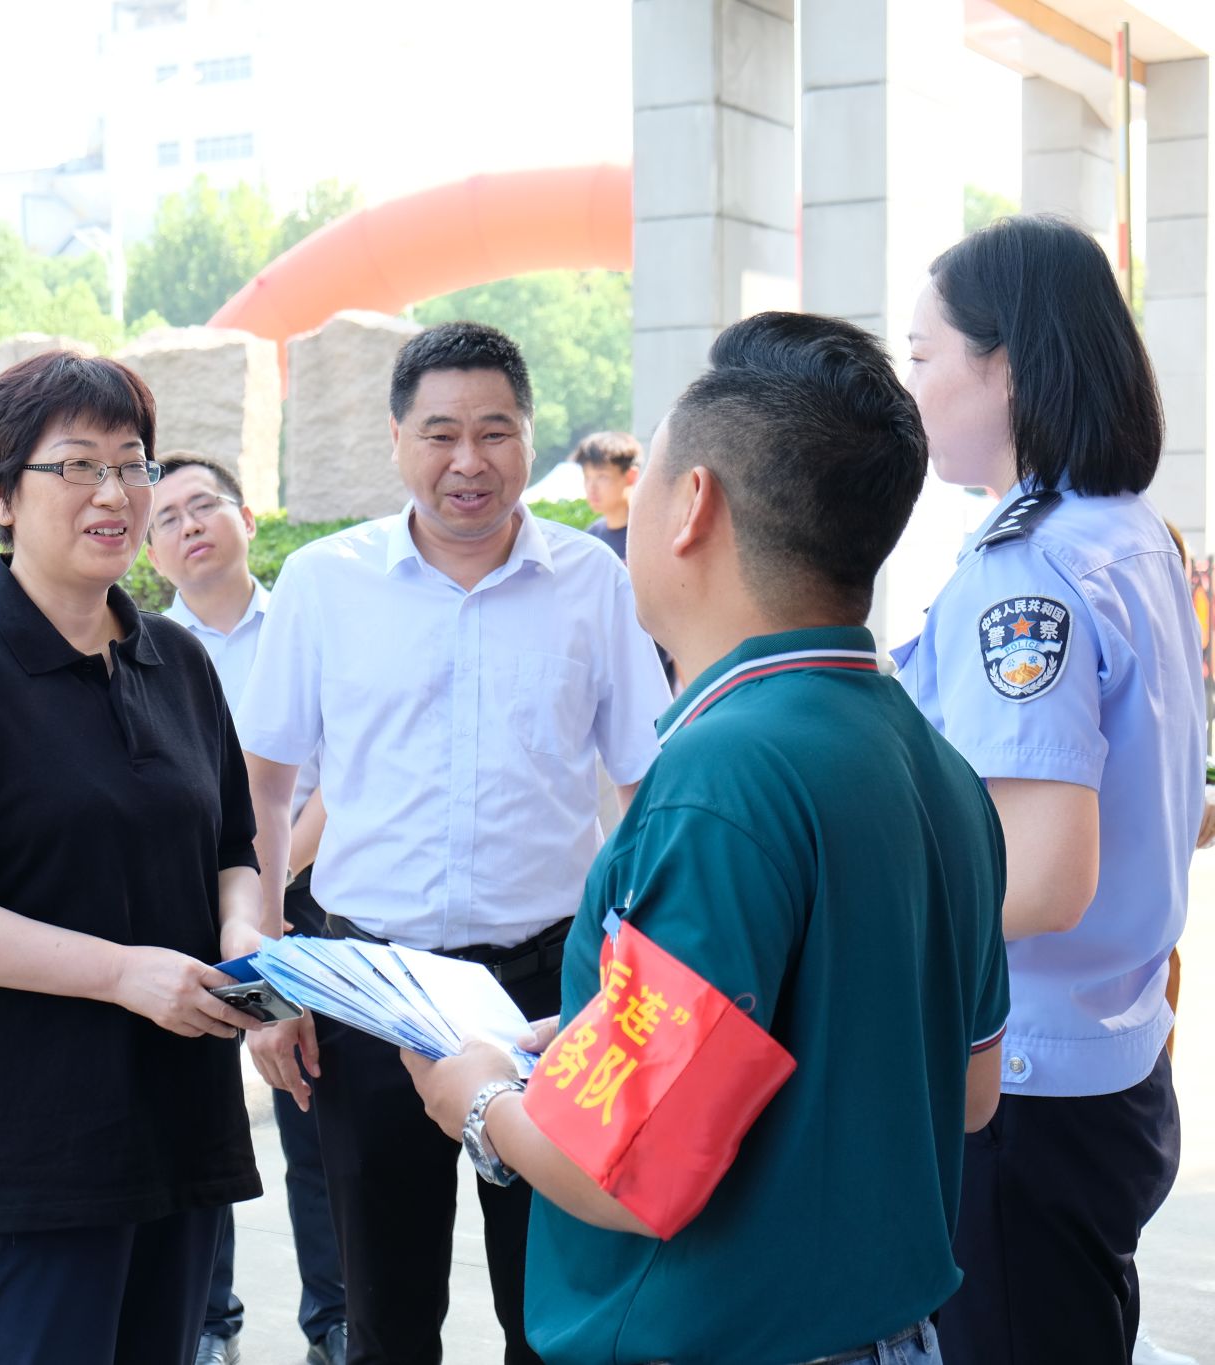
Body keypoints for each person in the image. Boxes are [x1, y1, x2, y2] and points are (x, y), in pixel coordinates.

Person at [401, 310, 1008, 1365]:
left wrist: (480, 1097)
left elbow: (620, 1166)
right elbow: (966, 1090)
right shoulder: (929, 758)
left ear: (693, 504)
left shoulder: (725, 774)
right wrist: (598, 1038)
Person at [234, 321, 670, 1365]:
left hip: (548, 994)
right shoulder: (324, 583)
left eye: (494, 431)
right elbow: (261, 791)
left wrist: (632, 977)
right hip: (369, 992)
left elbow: (644, 789)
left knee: (553, 1315)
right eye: (439, 433)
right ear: (396, 440)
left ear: (529, 439)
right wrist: (266, 987)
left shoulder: (594, 582)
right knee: (385, 1316)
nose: (467, 461)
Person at [0, 352, 265, 1365]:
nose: (114, 493)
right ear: (2, 496)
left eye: (131, 464)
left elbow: (232, 845)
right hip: (28, 1153)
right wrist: (121, 974)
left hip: (179, 1125)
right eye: (77, 465)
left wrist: (244, 935)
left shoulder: (176, 661)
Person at [898, 215, 1197, 1365]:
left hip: (1024, 1078)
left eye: (922, 355)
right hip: (1107, 1059)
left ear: (1005, 365)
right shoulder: (1128, 534)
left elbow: (1040, 876)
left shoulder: (1024, 564)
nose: (912, 386)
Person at [143, 452, 347, 1365]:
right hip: (182, 910)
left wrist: (267, 884)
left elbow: (341, 769)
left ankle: (334, 1317)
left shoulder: (306, 623)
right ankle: (206, 1319)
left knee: (315, 1107)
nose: (189, 525)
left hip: (305, 900)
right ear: (150, 550)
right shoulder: (142, 646)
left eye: (204, 505)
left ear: (248, 517)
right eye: (166, 518)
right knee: (195, 1122)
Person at [569, 431, 640, 561]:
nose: (591, 487)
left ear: (630, 476)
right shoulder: (591, 538)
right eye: (587, 477)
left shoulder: (648, 533)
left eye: (602, 477)